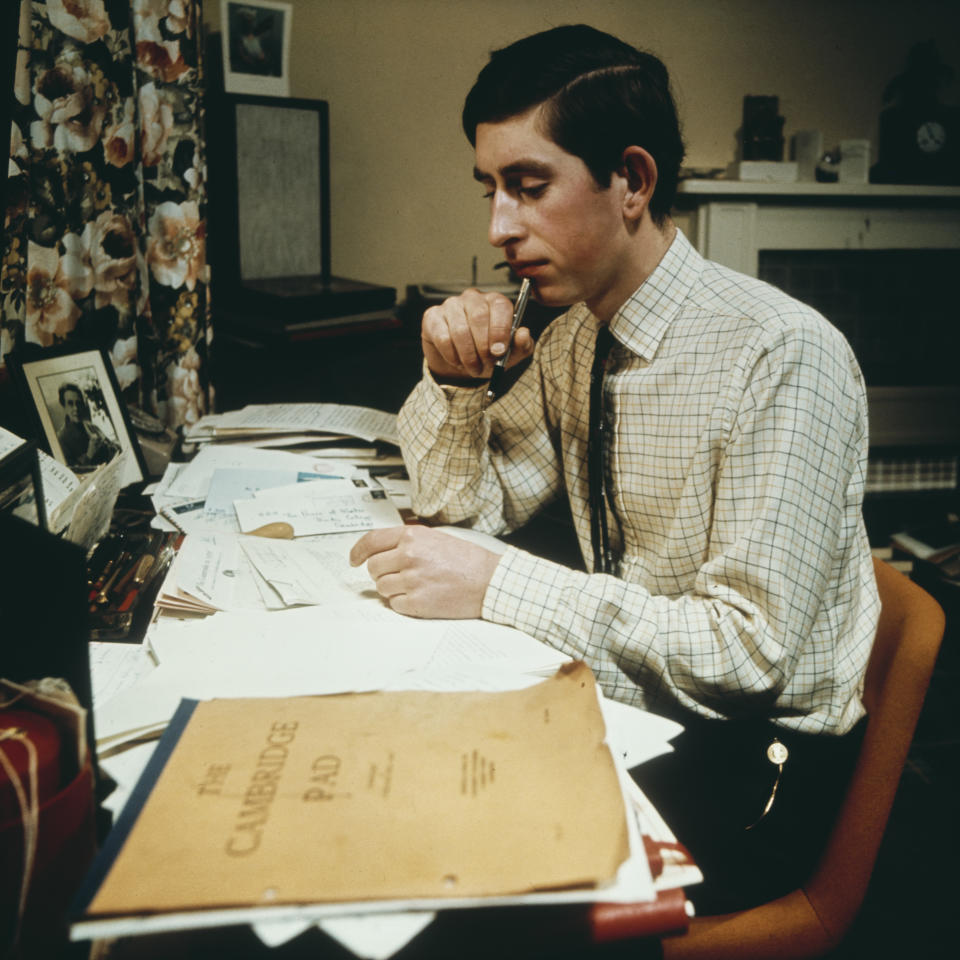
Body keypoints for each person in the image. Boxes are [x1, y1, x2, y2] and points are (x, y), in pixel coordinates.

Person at [350, 24, 880, 914]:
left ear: (631, 181)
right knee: (391, 798)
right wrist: (455, 381)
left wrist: (497, 585)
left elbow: (748, 656)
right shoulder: (576, 340)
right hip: (641, 716)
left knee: (450, 890)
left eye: (528, 187)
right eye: (490, 190)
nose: (497, 228)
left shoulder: (782, 353)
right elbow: (459, 511)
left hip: (760, 769)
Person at [56, 382, 119, 470]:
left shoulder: (91, 427)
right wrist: (89, 454)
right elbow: (74, 476)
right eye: (70, 404)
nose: (76, 408)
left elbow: (113, 449)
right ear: (64, 407)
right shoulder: (61, 439)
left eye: (78, 403)